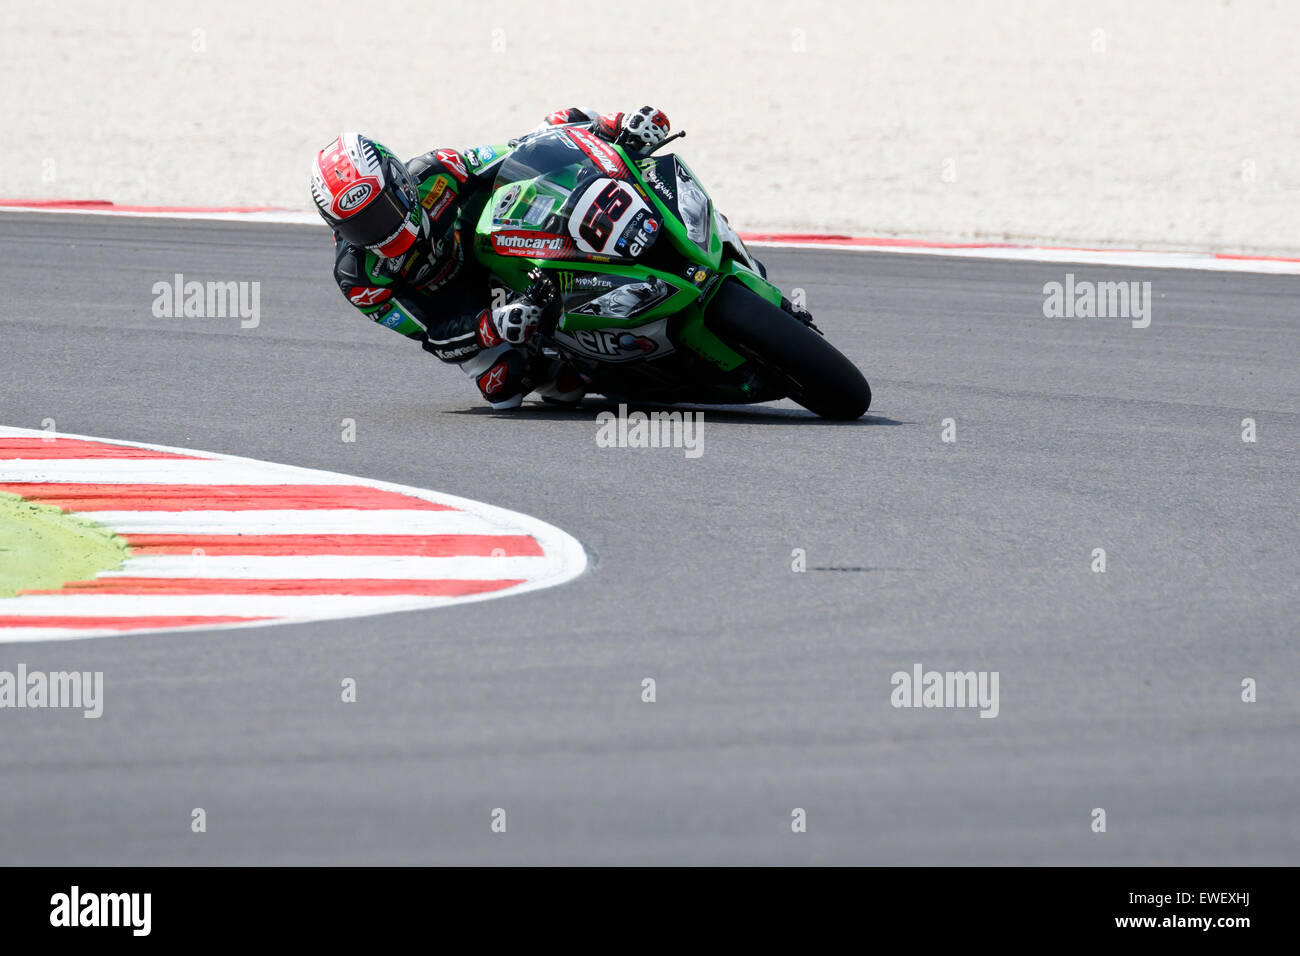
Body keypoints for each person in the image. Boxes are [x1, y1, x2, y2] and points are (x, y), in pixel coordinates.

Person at [309, 107, 672, 409]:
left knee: (556, 124)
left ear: (400, 181)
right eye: (360, 227)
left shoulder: (438, 171)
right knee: (506, 386)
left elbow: (520, 151)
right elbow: (431, 336)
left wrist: (612, 127)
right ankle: (577, 363)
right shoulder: (360, 280)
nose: (379, 231)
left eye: (381, 212)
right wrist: (492, 325)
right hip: (462, 309)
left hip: (499, 241)